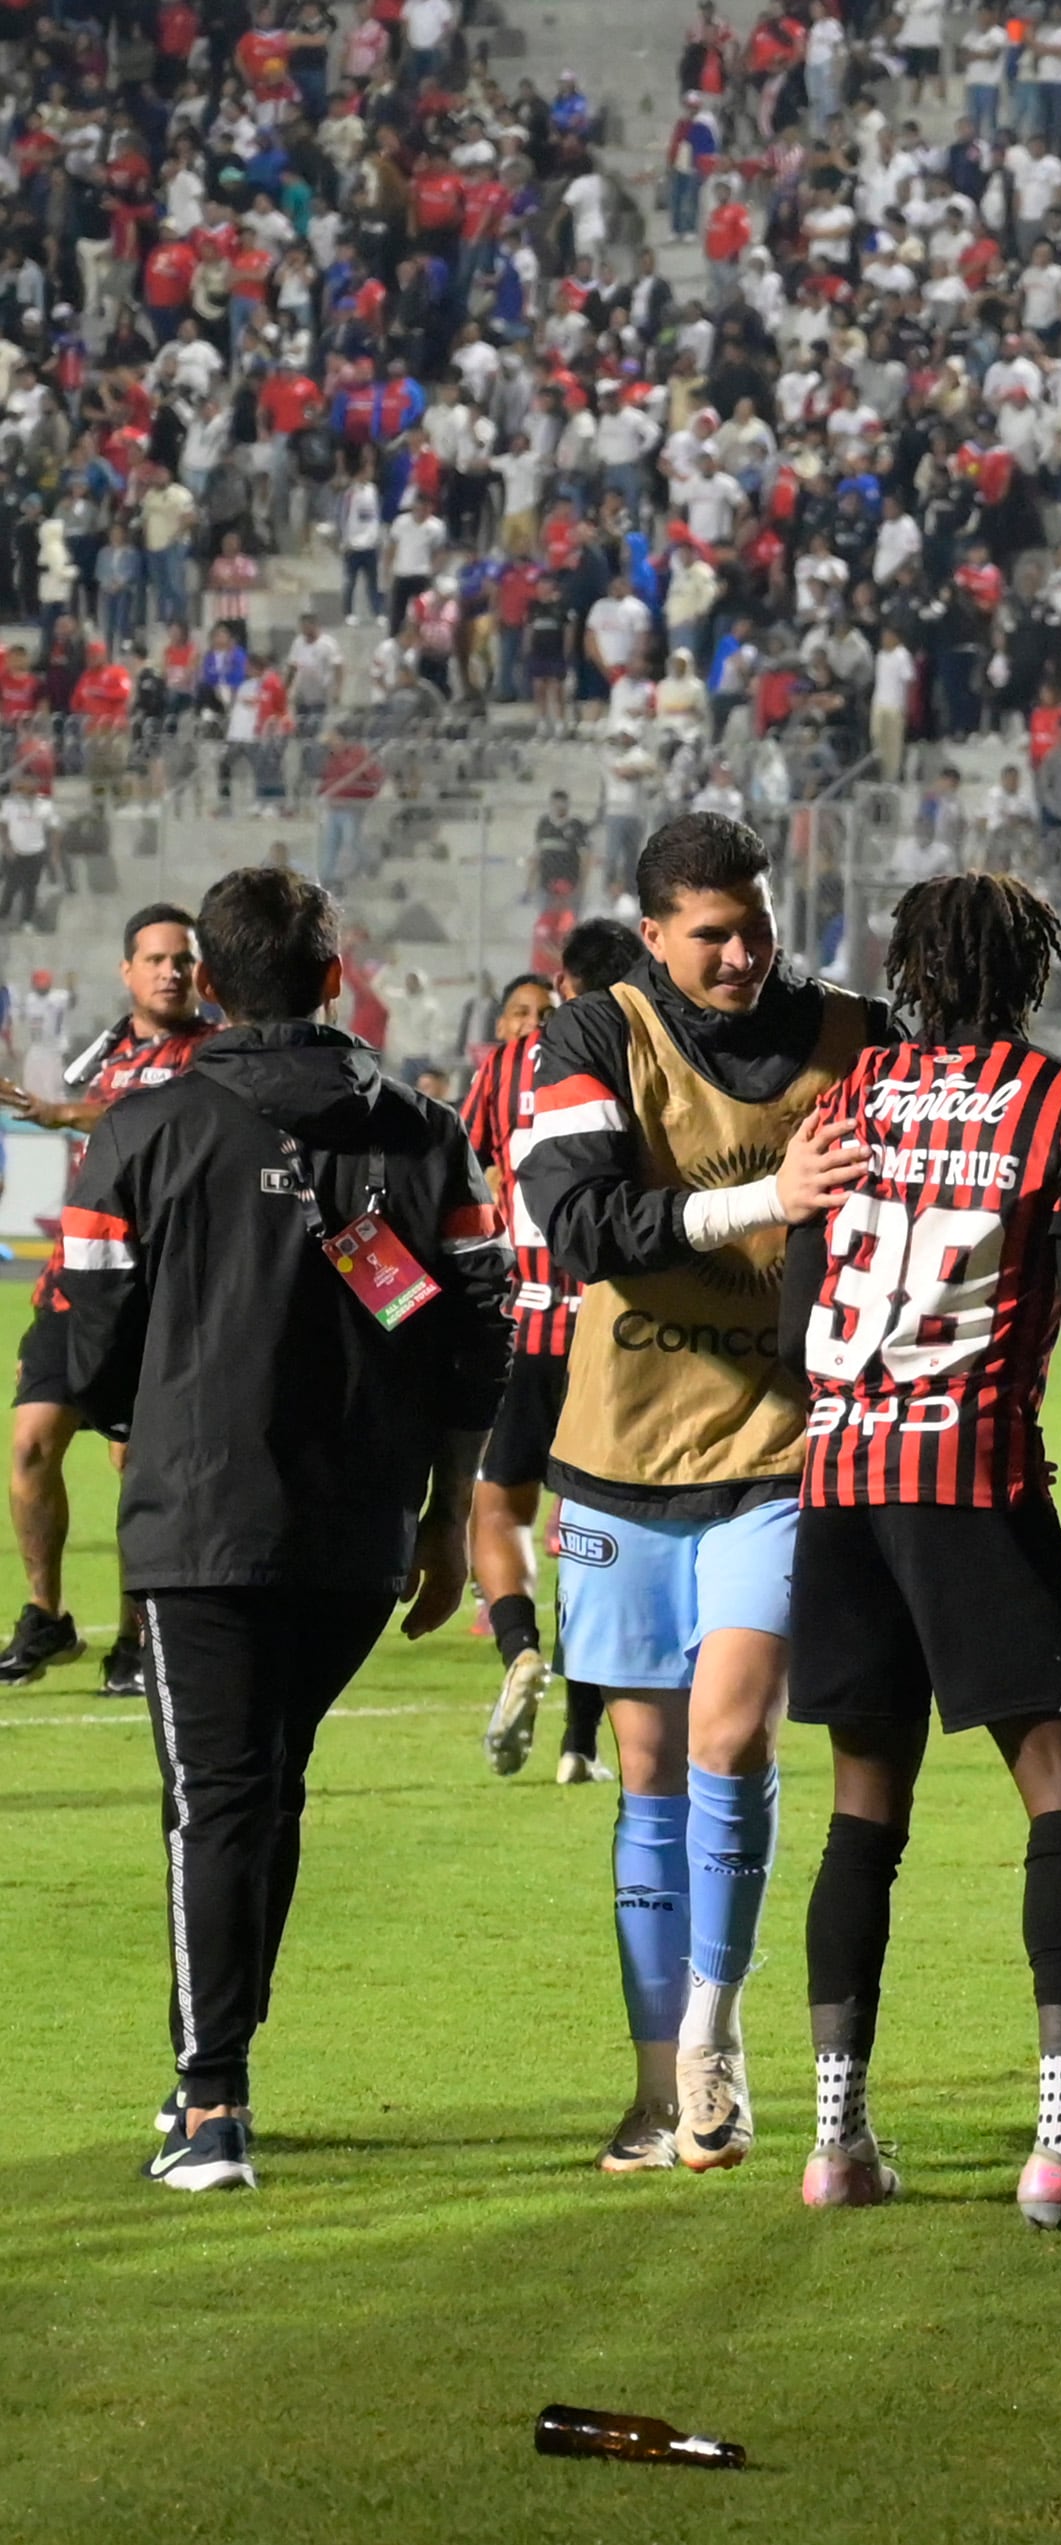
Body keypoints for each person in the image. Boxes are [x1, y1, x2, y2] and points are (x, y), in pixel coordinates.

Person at [61, 866, 510, 2190]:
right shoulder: (424, 1135)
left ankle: (210, 2107)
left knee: (214, 1801)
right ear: (335, 977)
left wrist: (157, 1397)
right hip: (358, 1530)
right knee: (270, 1784)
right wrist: (439, 1524)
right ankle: (215, 2062)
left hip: (198, 1519)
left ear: (205, 980)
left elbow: (87, 1340)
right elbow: (475, 1339)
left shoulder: (142, 1131)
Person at [780, 872, 1061, 2226]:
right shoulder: (1057, 1102)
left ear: (910, 970)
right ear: (1027, 974)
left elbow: (801, 1303)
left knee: (866, 1809)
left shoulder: (846, 1100)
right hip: (968, 1477)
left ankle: (836, 2145)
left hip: (841, 1476)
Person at [522, 814, 886, 2175]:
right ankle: (648, 2073)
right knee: (648, 1767)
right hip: (619, 1456)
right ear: (657, 933)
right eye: (711, 936)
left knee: (733, 1737)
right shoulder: (592, 1034)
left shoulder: (857, 1034)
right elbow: (578, 1228)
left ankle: (715, 2037)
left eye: (757, 927)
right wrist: (760, 1204)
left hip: (783, 1452)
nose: (741, 956)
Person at [0, 905, 209, 1694]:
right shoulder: (108, 1048)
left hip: (155, 1293)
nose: (169, 971)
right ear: (127, 970)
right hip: (71, 1283)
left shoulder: (216, 1054)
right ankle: (46, 1615)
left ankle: (134, 1637)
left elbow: (157, 1125)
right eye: (154, 958)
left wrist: (63, 1111)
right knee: (28, 1449)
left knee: (138, 1467)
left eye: (182, 960)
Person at [461, 922, 648, 1781]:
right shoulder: (651, 1057)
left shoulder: (504, 1069)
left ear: (564, 985)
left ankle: (517, 1648)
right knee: (597, 1530)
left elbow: (466, 1176)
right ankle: (580, 1740)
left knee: (497, 1506)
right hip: (614, 1331)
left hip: (524, 1321)